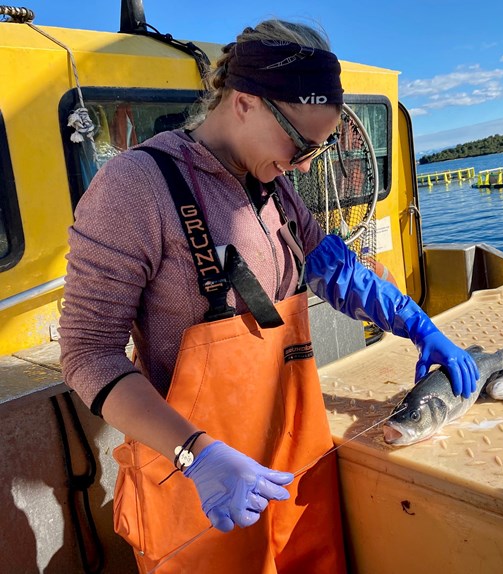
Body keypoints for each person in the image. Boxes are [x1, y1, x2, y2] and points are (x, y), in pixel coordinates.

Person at [59, 19, 479, 574]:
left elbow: (338, 273)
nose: (305, 164)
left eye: (319, 150)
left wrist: (420, 327)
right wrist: (195, 452)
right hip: (199, 490)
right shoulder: (135, 188)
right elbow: (88, 354)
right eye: (299, 142)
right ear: (245, 101)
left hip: (289, 471)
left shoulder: (274, 189)